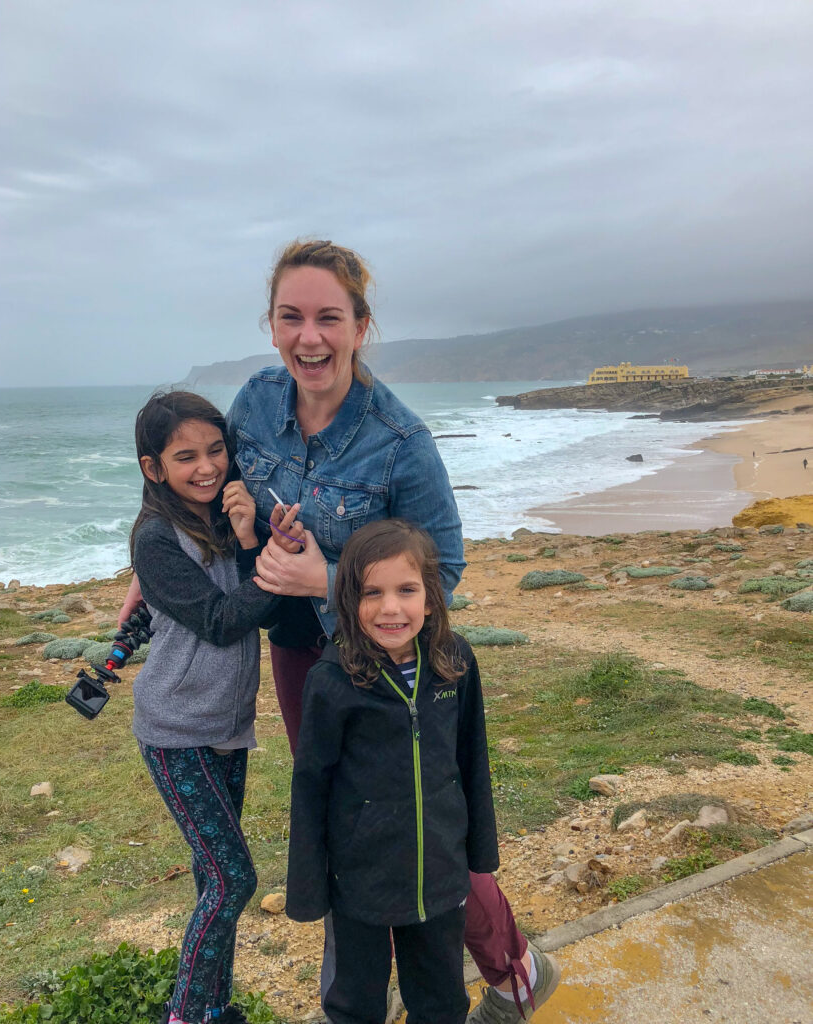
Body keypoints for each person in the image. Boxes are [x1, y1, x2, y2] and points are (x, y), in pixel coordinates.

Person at [120, 240, 559, 1020]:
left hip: (391, 659)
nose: (309, 337)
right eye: (291, 317)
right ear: (272, 323)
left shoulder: (400, 440)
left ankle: (511, 967)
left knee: (422, 808)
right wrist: (154, 570)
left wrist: (327, 580)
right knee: (343, 808)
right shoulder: (254, 402)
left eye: (329, 317)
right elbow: (205, 483)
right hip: (299, 652)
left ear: (361, 325)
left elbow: (444, 568)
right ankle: (354, 993)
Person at [127, 391, 302, 1024]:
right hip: (176, 731)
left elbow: (271, 606)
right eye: (186, 457)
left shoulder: (225, 517)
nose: (206, 466)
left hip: (227, 727)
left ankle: (216, 1009)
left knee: (213, 880)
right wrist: (281, 567)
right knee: (233, 880)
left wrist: (255, 537)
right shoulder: (154, 540)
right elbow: (224, 621)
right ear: (154, 469)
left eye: (216, 450)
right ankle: (187, 1012)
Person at [287, 520, 503, 1023]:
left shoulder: (456, 661)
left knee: (441, 999)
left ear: (431, 597)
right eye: (371, 593)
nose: (390, 608)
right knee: (355, 1003)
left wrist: (478, 852)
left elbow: (473, 758)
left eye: (406, 590)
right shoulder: (331, 680)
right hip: (360, 880)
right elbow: (311, 786)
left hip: (441, 872)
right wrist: (309, 885)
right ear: (348, 602)